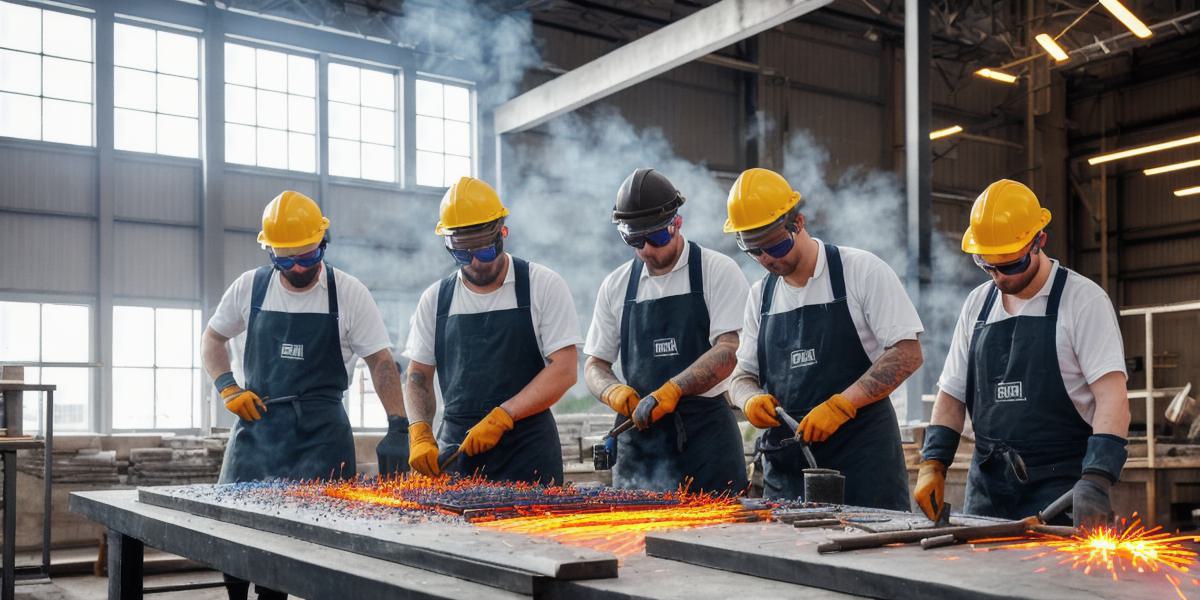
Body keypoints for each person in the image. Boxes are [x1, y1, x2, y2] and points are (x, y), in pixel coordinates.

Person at [201, 190, 406, 600]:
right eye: (285, 259)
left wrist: (400, 425)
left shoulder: (347, 293)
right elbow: (212, 338)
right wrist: (227, 387)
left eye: (307, 258)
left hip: (321, 433)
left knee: (320, 538)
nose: (297, 268)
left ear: (323, 244)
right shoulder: (250, 288)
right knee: (236, 531)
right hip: (257, 427)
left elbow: (381, 362)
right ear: (270, 253)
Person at [914, 179, 1130, 527]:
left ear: (1039, 241)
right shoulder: (977, 305)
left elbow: (1112, 398)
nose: (999, 277)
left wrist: (1097, 477)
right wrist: (933, 462)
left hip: (1059, 492)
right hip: (986, 494)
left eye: (1010, 265)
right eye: (987, 265)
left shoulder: (1082, 301)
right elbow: (951, 394)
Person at [725, 168, 923, 510]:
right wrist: (749, 399)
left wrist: (842, 405)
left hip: (862, 466)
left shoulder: (859, 271)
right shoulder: (761, 296)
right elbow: (740, 377)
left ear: (798, 223)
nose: (768, 259)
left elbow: (907, 353)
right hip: (787, 474)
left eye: (776, 245)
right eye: (755, 252)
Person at [403, 176, 580, 484]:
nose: (475, 263)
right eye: (462, 254)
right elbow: (418, 375)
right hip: (457, 453)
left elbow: (565, 370)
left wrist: (505, 415)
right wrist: (419, 430)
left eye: (484, 252)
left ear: (503, 234)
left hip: (528, 452)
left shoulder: (542, 285)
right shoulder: (435, 300)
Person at [584, 168, 749, 494]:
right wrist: (614, 392)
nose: (647, 250)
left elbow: (730, 347)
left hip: (706, 440)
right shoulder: (616, 286)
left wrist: (673, 389)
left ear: (677, 224)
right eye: (634, 239)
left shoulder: (715, 271)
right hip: (640, 438)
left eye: (657, 237)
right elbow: (594, 365)